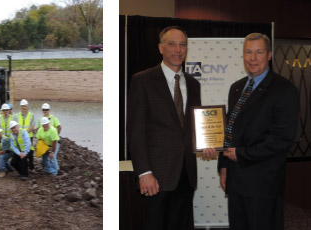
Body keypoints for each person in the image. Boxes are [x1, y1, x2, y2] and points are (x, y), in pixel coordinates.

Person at [203, 33, 299, 230]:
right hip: (236, 179)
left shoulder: (284, 89)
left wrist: (242, 154)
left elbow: (283, 138)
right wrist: (223, 165)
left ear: (269, 54)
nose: (252, 58)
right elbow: (229, 130)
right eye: (248, 52)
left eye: (259, 52)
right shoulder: (236, 87)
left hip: (263, 183)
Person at [126, 26, 201, 229]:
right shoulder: (142, 80)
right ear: (161, 48)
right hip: (156, 176)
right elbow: (135, 131)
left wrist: (206, 143)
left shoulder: (194, 84)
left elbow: (193, 127)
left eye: (182, 44)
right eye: (172, 44)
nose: (177, 49)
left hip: (186, 174)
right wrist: (144, 173)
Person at [14, 99, 35, 171]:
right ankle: (22, 165)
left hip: (29, 136)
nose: (24, 108)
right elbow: (15, 126)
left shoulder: (31, 115)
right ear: (20, 107)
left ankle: (31, 166)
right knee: (21, 150)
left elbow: (32, 127)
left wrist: (24, 133)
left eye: (25, 106)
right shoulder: (17, 115)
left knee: (30, 151)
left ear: (27, 106)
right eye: (23, 106)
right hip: (19, 137)